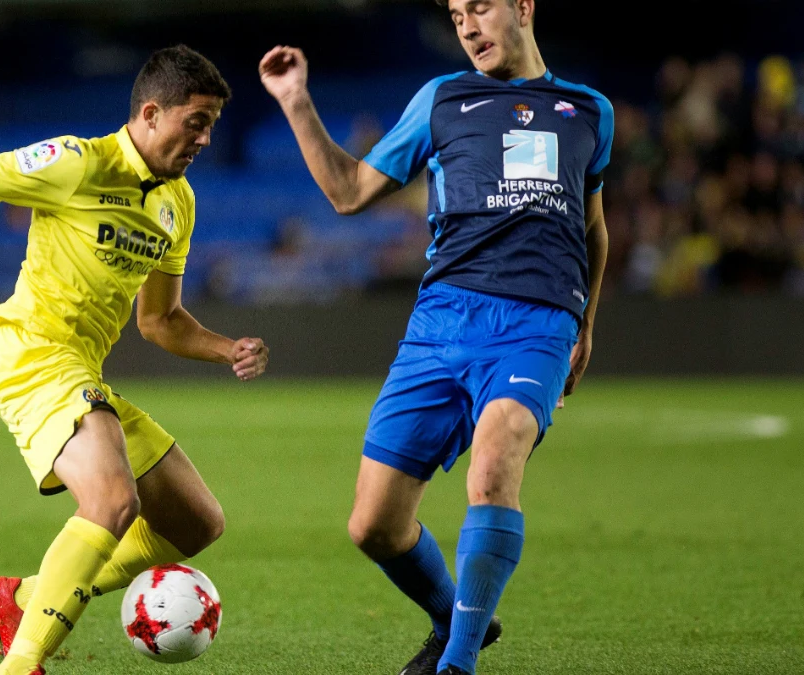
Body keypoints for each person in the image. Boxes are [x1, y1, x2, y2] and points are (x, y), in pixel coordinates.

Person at [260, 0, 613, 672]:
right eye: (456, 15)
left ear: (524, 7)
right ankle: (463, 620)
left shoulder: (590, 110)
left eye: (480, 8)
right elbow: (347, 192)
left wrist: (586, 324)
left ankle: (456, 663)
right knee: (373, 525)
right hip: (441, 322)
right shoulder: (440, 100)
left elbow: (593, 227)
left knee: (496, 455)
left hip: (537, 319)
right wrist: (296, 99)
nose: (467, 25)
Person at [0, 45, 268, 675]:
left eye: (211, 126)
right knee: (111, 501)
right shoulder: (77, 162)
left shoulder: (176, 205)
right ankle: (19, 667)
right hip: (32, 353)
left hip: (80, 373)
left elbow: (159, 321)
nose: (206, 139)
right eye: (196, 122)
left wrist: (224, 347)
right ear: (152, 113)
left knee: (195, 522)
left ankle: (23, 596)